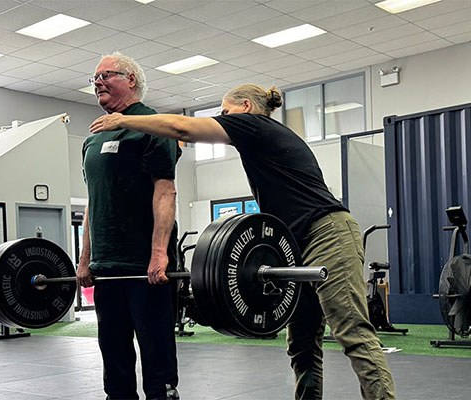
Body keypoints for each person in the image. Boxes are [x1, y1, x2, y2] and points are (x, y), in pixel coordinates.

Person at [89, 83, 396, 400]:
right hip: (291, 242)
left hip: (327, 232)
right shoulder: (258, 138)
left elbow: (184, 126)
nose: (223, 119)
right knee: (301, 341)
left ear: (246, 107)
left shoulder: (254, 125)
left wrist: (122, 121)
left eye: (225, 112)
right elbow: (179, 133)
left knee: (351, 331)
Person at [77, 52, 182, 400]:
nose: (98, 83)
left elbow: (165, 191)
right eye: (94, 78)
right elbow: (95, 201)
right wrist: (84, 259)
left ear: (131, 79)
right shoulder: (92, 139)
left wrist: (158, 254)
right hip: (107, 268)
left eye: (106, 75)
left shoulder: (154, 126)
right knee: (115, 360)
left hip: (145, 267)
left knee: (156, 359)